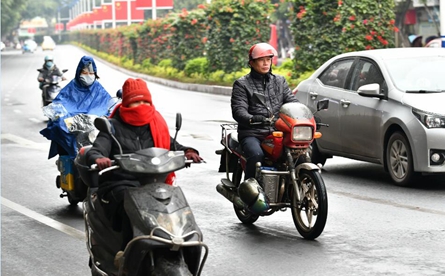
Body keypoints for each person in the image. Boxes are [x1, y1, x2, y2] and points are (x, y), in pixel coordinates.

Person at [86, 77, 203, 256]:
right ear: (126, 103)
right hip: (121, 183)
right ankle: (124, 253)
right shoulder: (112, 127)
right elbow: (97, 149)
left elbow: (171, 145)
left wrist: (188, 151)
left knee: (178, 207)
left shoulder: (155, 124)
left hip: (155, 183)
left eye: (144, 101)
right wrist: (99, 158)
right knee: (126, 209)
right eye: (135, 102)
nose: (141, 105)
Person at [231, 42, 299, 180]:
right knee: (256, 155)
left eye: (268, 59)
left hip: (277, 132)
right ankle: (251, 190)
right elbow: (238, 110)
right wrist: (251, 118)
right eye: (261, 60)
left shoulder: (280, 81)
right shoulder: (242, 84)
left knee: (299, 155)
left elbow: (292, 102)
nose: (265, 63)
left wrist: (302, 115)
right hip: (252, 133)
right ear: (251, 62)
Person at [40, 55, 113, 159]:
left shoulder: (99, 89)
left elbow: (108, 107)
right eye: (85, 73)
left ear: (95, 74)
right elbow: (59, 104)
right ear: (79, 73)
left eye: (91, 73)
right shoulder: (71, 88)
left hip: (93, 131)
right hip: (73, 128)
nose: (88, 76)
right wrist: (61, 117)